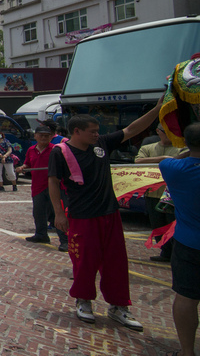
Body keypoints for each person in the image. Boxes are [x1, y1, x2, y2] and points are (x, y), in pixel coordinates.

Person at [48, 106, 160, 329]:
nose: (97, 134)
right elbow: (53, 181)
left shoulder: (101, 145)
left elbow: (131, 129)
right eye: (92, 131)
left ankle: (119, 306)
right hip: (82, 216)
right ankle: (84, 301)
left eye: (98, 131)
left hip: (110, 213)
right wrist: (59, 214)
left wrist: (157, 109)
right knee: (84, 262)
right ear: (76, 131)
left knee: (116, 262)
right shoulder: (60, 152)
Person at [158, 122, 200, 356]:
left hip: (188, 242)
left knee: (186, 297)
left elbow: (179, 157)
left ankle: (187, 355)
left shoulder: (172, 168)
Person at [135, 124, 181, 262]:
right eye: (165, 132)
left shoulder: (181, 148)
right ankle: (165, 252)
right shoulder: (148, 148)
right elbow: (138, 161)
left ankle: (176, 254)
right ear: (158, 132)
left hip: (172, 195)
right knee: (157, 224)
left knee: (173, 224)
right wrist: (165, 158)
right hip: (152, 194)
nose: (169, 135)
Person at [18, 126, 67, 251]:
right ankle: (41, 235)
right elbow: (28, 163)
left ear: (51, 136)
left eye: (46, 135)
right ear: (35, 136)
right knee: (38, 213)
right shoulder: (31, 150)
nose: (44, 138)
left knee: (58, 213)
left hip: (54, 187)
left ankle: (65, 240)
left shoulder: (55, 150)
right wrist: (22, 167)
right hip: (37, 187)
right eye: (41, 135)